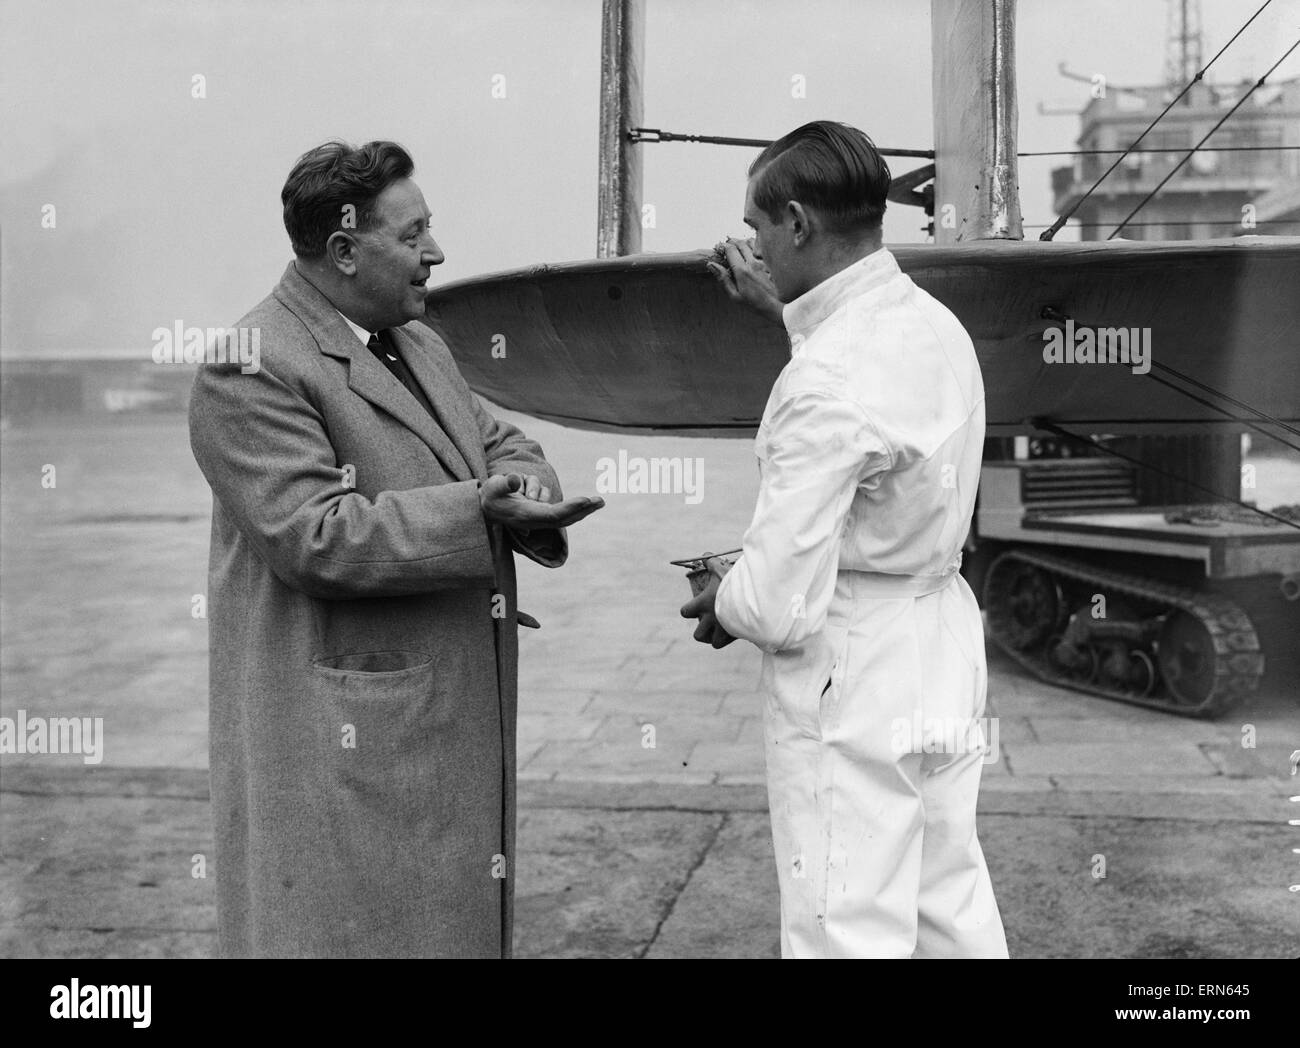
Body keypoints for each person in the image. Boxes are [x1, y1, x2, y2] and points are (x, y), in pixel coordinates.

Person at [188, 140, 603, 958]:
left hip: (436, 733)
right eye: (413, 236)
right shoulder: (252, 366)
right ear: (344, 249)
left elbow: (507, 448)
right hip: (347, 745)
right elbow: (314, 536)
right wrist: (477, 511)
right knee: (345, 930)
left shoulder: (418, 344)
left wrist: (515, 495)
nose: (436, 254)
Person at [683, 120, 1007, 958]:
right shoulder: (933, 324)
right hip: (940, 640)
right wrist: (788, 315)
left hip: (856, 675)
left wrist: (725, 588)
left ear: (796, 223)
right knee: (947, 903)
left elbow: (781, 609)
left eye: (756, 226)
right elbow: (866, 401)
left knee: (843, 924)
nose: (752, 245)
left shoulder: (822, 379)